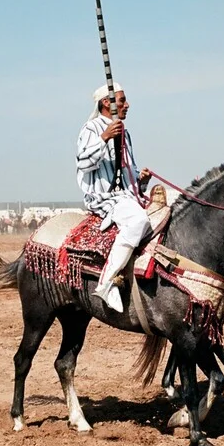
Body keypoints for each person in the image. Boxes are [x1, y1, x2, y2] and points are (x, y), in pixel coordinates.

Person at [76, 83, 152, 312]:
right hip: (103, 197)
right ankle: (107, 282)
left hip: (128, 195)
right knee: (139, 222)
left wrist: (142, 180)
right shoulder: (91, 129)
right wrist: (104, 138)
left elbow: (129, 170)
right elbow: (83, 162)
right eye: (122, 101)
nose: (127, 105)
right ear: (105, 104)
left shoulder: (125, 132)